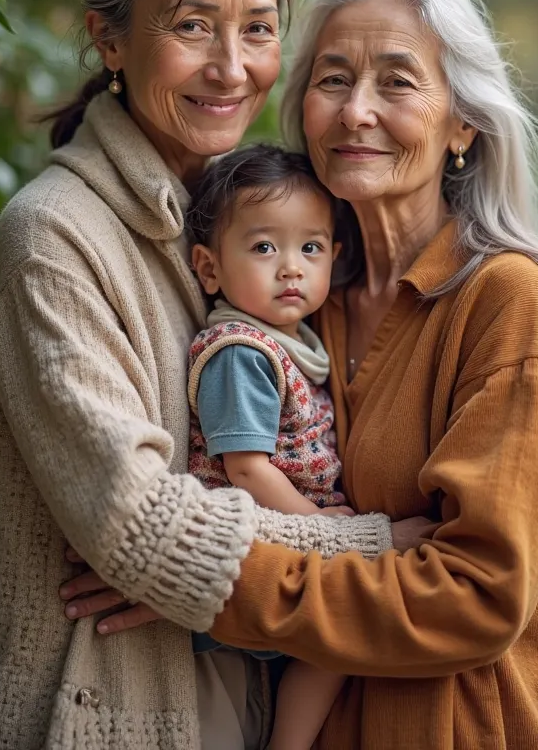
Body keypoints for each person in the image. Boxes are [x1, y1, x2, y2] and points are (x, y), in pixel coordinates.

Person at [71, 0, 538, 750]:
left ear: (464, 123)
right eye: (331, 79)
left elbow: (477, 595)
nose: (356, 112)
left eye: (397, 81)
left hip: (465, 727)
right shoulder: (307, 303)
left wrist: (221, 584)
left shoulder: (503, 299)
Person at [0, 0, 405, 750]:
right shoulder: (53, 239)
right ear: (109, 38)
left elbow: (184, 536)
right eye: (192, 25)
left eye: (259, 29)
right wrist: (377, 544)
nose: (232, 68)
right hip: (91, 709)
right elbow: (143, 529)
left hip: (235, 690)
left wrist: (213, 568)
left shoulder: (264, 227)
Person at [185, 144, 351, 750]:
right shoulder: (241, 353)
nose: (290, 268)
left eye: (310, 248)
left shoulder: (293, 341)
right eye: (263, 247)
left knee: (336, 644)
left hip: (283, 542)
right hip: (247, 550)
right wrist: (325, 532)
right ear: (209, 268)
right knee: (342, 634)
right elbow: (248, 469)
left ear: (333, 256)